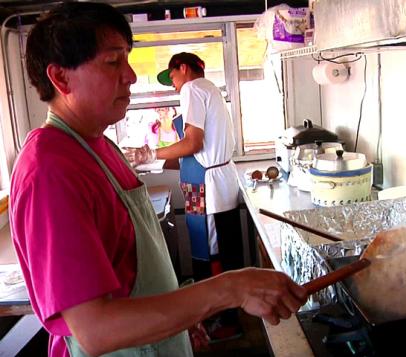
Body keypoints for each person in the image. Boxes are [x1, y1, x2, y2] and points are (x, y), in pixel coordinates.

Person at [8, 3, 308, 357]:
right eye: (113, 61)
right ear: (60, 78)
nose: (131, 75)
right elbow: (96, 330)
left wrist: (183, 315)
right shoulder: (50, 169)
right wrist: (230, 288)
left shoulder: (102, 146)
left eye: (127, 59)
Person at [126, 52, 245, 340]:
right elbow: (191, 153)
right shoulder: (210, 91)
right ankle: (220, 316)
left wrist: (149, 153)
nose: (174, 85)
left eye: (173, 77)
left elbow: (192, 143)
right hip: (206, 185)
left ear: (183, 68)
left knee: (213, 255)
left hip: (209, 191)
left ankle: (226, 322)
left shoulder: (193, 88)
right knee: (215, 252)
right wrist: (150, 161)